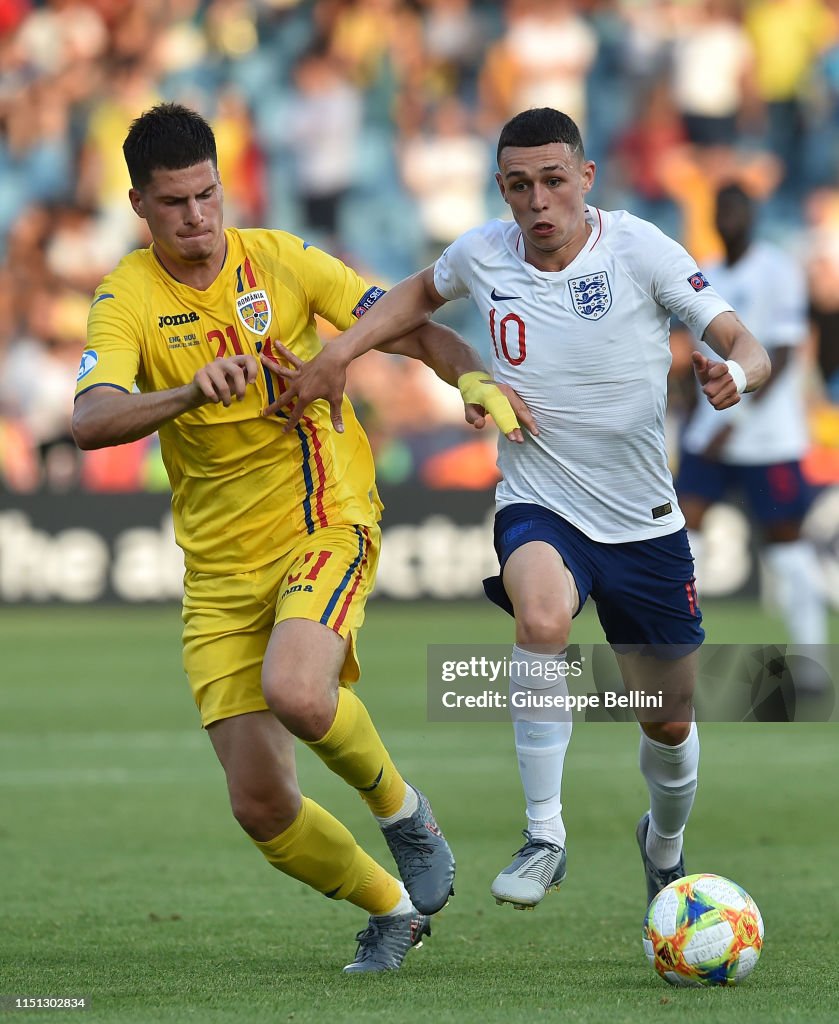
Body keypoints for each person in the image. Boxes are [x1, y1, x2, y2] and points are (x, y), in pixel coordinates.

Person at [261, 107, 771, 912]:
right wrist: (341, 353)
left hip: (643, 523)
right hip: (538, 498)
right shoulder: (483, 253)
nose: (537, 202)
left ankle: (662, 846)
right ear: (501, 190)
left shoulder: (638, 248)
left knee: (667, 721)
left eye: (553, 182)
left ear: (585, 179)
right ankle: (544, 836)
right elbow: (412, 299)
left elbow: (748, 344)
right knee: (540, 618)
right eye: (519, 186)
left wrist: (733, 378)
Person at [71, 103, 526, 972]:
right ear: (139, 205)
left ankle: (403, 815)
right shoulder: (126, 296)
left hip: (324, 520)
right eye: (173, 203)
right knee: (260, 804)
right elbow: (91, 421)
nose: (196, 216)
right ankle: (392, 909)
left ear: (222, 182)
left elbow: (406, 321)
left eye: (207, 194)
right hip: (215, 574)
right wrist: (188, 395)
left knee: (299, 690)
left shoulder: (279, 260)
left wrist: (468, 375)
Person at [675, 183, 827, 685]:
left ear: (753, 215)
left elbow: (780, 356)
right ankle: (672, 655)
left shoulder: (779, 270)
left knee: (787, 546)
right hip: (709, 435)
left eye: (737, 209)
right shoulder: (706, 274)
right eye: (721, 209)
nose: (729, 218)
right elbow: (692, 361)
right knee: (679, 536)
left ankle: (811, 662)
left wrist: (733, 419)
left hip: (768, 437)